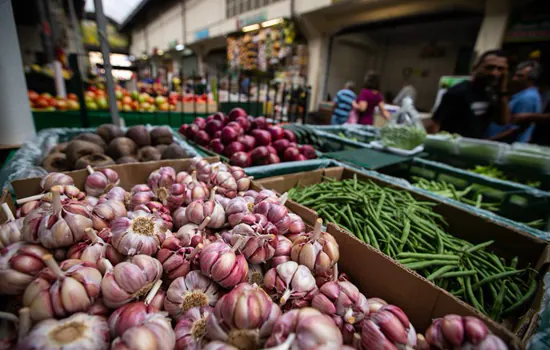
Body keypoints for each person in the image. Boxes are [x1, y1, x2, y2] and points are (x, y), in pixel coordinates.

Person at [428, 50, 510, 138]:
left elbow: (503, 121)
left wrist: (502, 90)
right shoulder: (459, 91)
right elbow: (434, 124)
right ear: (475, 68)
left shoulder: (490, 93)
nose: (494, 73)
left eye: (500, 69)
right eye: (489, 67)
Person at [485, 61, 542, 143]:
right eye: (515, 75)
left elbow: (515, 129)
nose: (514, 79)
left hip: (504, 145)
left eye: (520, 76)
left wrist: (489, 141)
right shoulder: (522, 94)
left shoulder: (528, 98)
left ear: (531, 79)